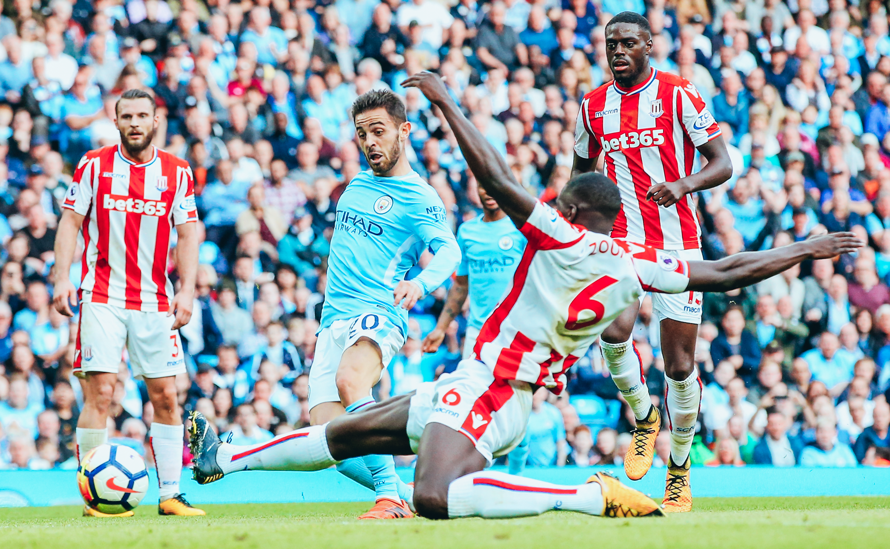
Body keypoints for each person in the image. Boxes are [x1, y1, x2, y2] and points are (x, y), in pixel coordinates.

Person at [186, 71, 861, 522]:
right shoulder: (638, 262)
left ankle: (586, 495)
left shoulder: (558, 235)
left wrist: (447, 103)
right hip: (485, 382)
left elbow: (494, 173)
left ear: (572, 204)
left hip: (495, 389)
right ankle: (225, 459)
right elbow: (726, 269)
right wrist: (804, 249)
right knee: (346, 432)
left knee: (432, 494)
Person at [570, 12, 734, 512]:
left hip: (678, 243)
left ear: (648, 45)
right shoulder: (593, 105)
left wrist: (682, 186)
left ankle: (679, 472)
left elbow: (724, 163)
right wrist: (574, 224)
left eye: (626, 43)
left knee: (680, 366)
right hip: (620, 243)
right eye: (609, 44)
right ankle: (643, 416)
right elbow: (581, 172)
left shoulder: (680, 93)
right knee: (612, 332)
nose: (617, 51)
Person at [306, 88, 462, 520]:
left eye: (379, 131)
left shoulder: (419, 195)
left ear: (403, 131)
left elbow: (448, 250)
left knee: (351, 380)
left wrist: (422, 283)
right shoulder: (355, 186)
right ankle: (403, 491)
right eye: (362, 133)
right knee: (329, 435)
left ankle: (389, 500)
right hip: (333, 319)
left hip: (378, 311)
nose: (370, 141)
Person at [51, 89, 204, 518]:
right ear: (116, 122)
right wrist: (61, 277)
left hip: (155, 299)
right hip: (101, 295)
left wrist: (187, 290)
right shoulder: (93, 165)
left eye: (142, 115)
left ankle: (171, 495)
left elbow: (189, 232)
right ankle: (91, 498)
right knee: (100, 391)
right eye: (127, 116)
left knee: (167, 397)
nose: (135, 123)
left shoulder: (176, 172)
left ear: (156, 121)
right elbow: (71, 222)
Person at [423, 178, 526, 359]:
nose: (488, 192)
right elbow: (461, 285)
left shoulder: (521, 228)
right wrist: (440, 328)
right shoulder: (467, 231)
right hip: (477, 330)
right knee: (469, 386)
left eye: (494, 185)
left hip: (515, 329)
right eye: (483, 186)